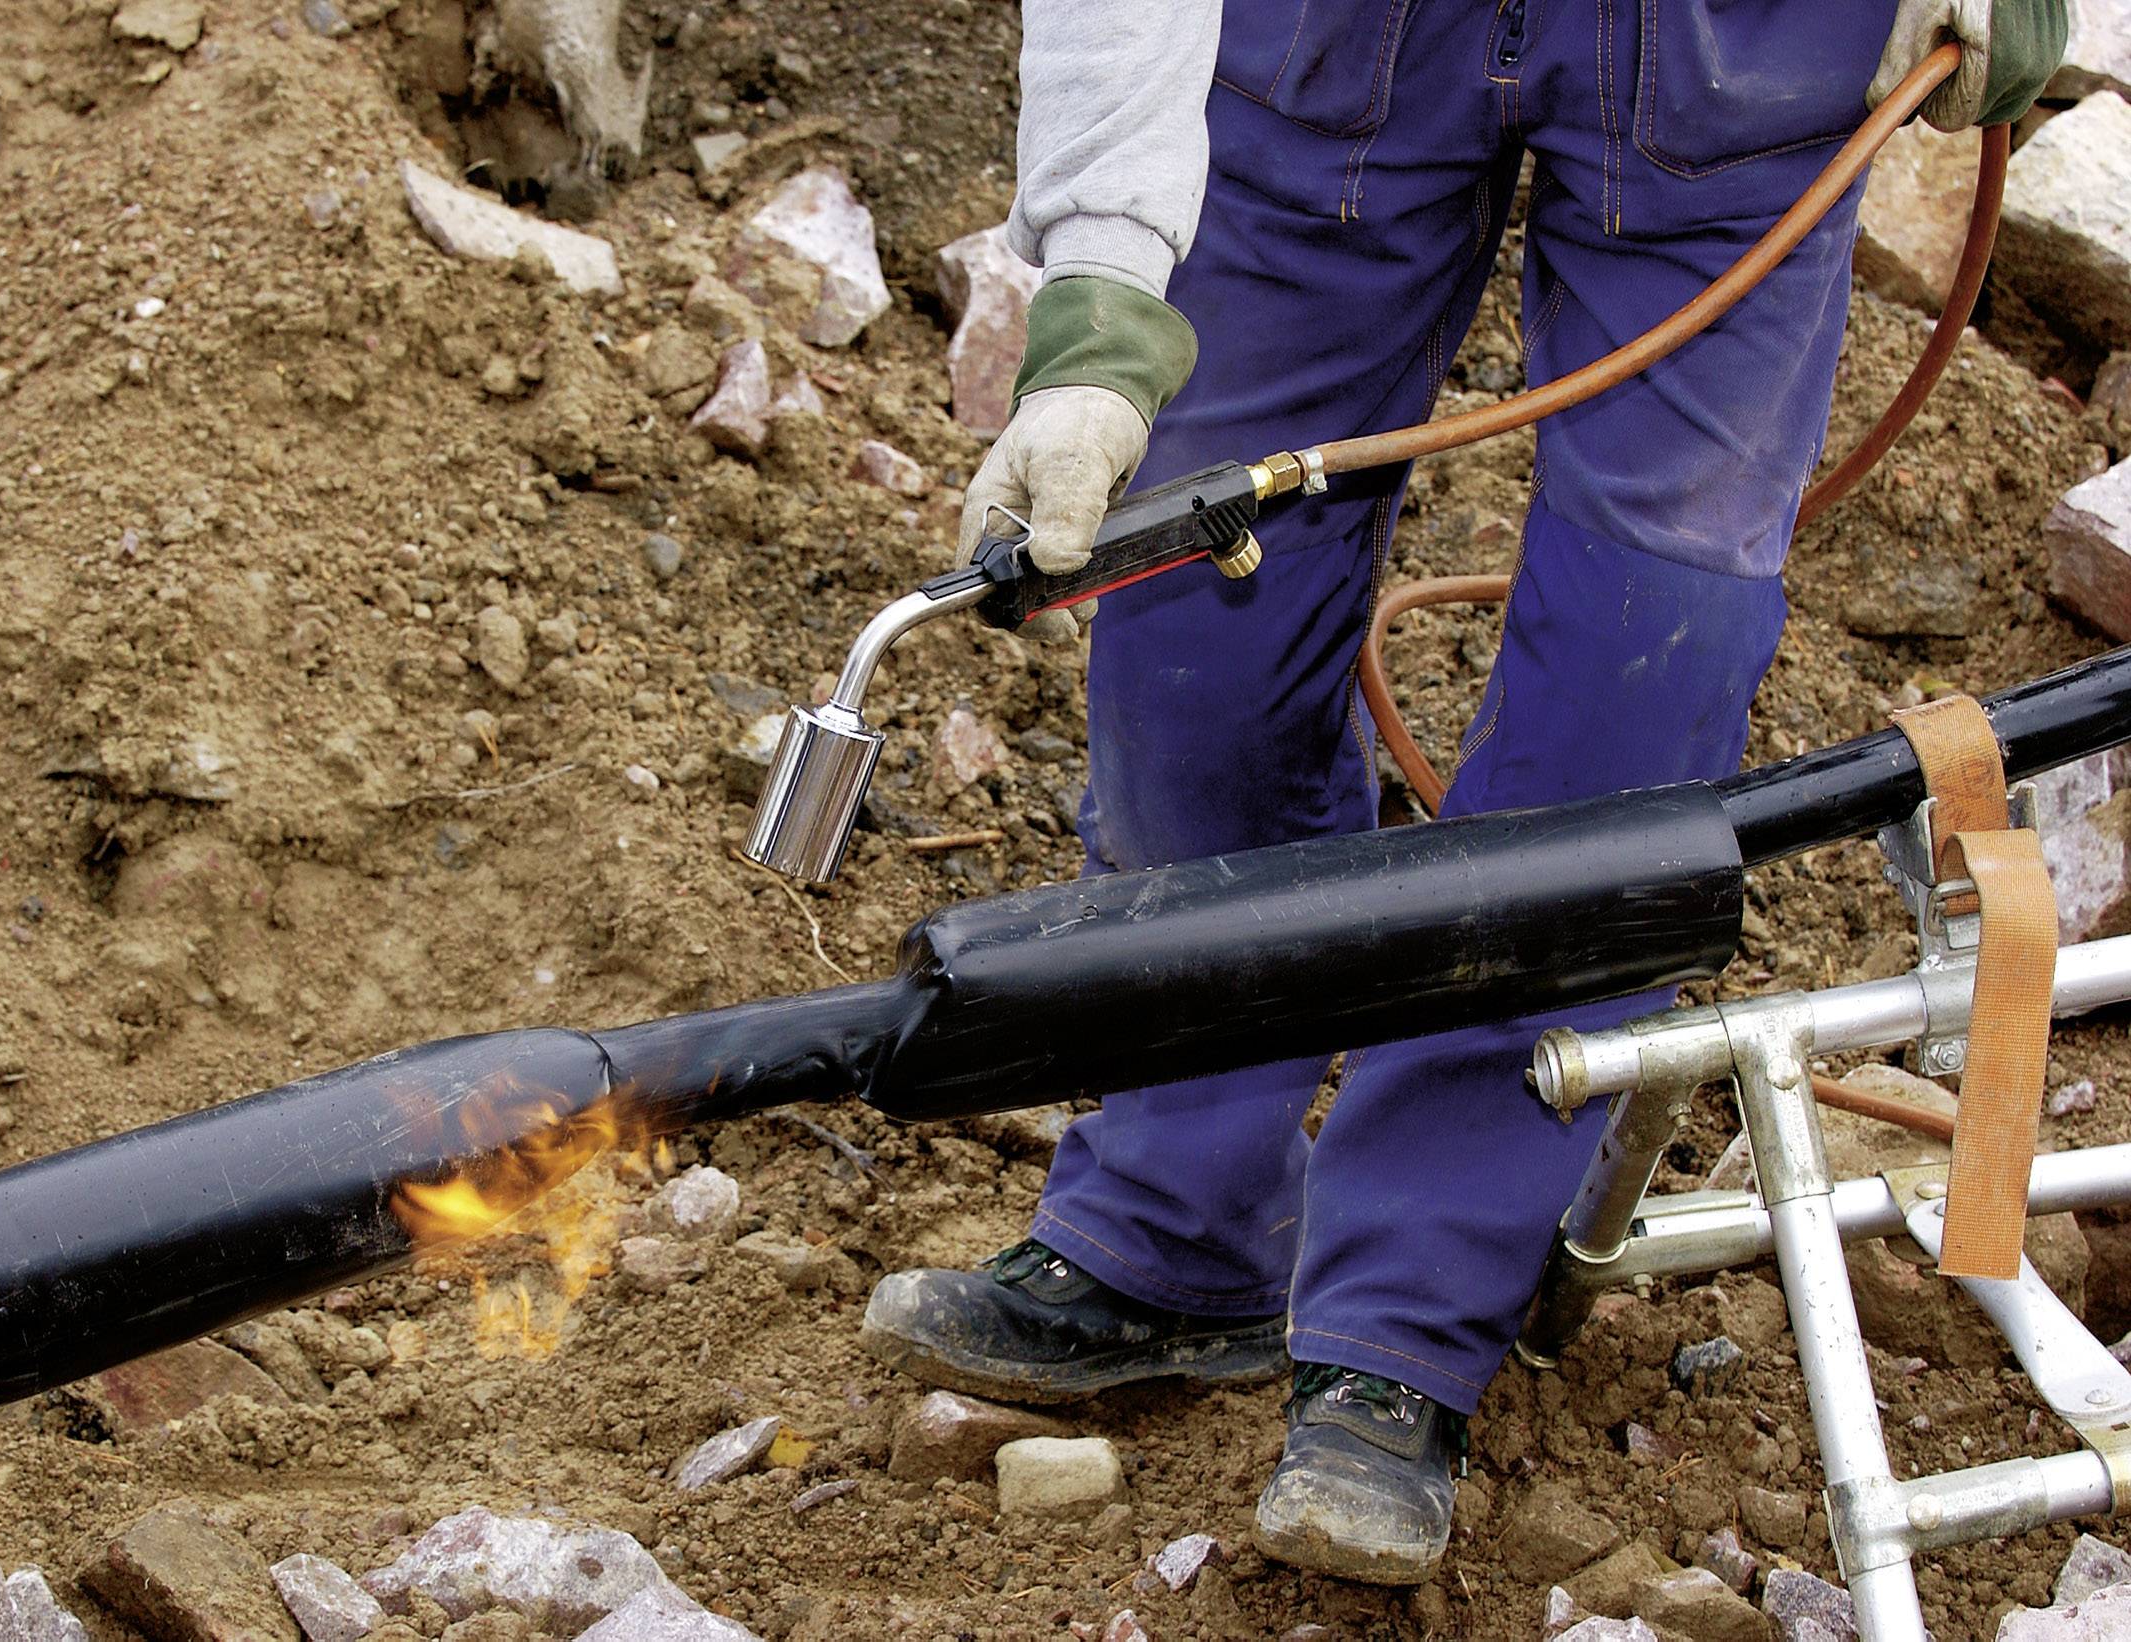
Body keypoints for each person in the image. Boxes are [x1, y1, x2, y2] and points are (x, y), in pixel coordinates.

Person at [861, 0, 2064, 1586]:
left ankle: (1404, 1323)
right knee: (1195, 623)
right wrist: (1096, 301)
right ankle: (1176, 1225)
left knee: (1637, 677)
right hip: (1337, 45)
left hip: (1739, 59)